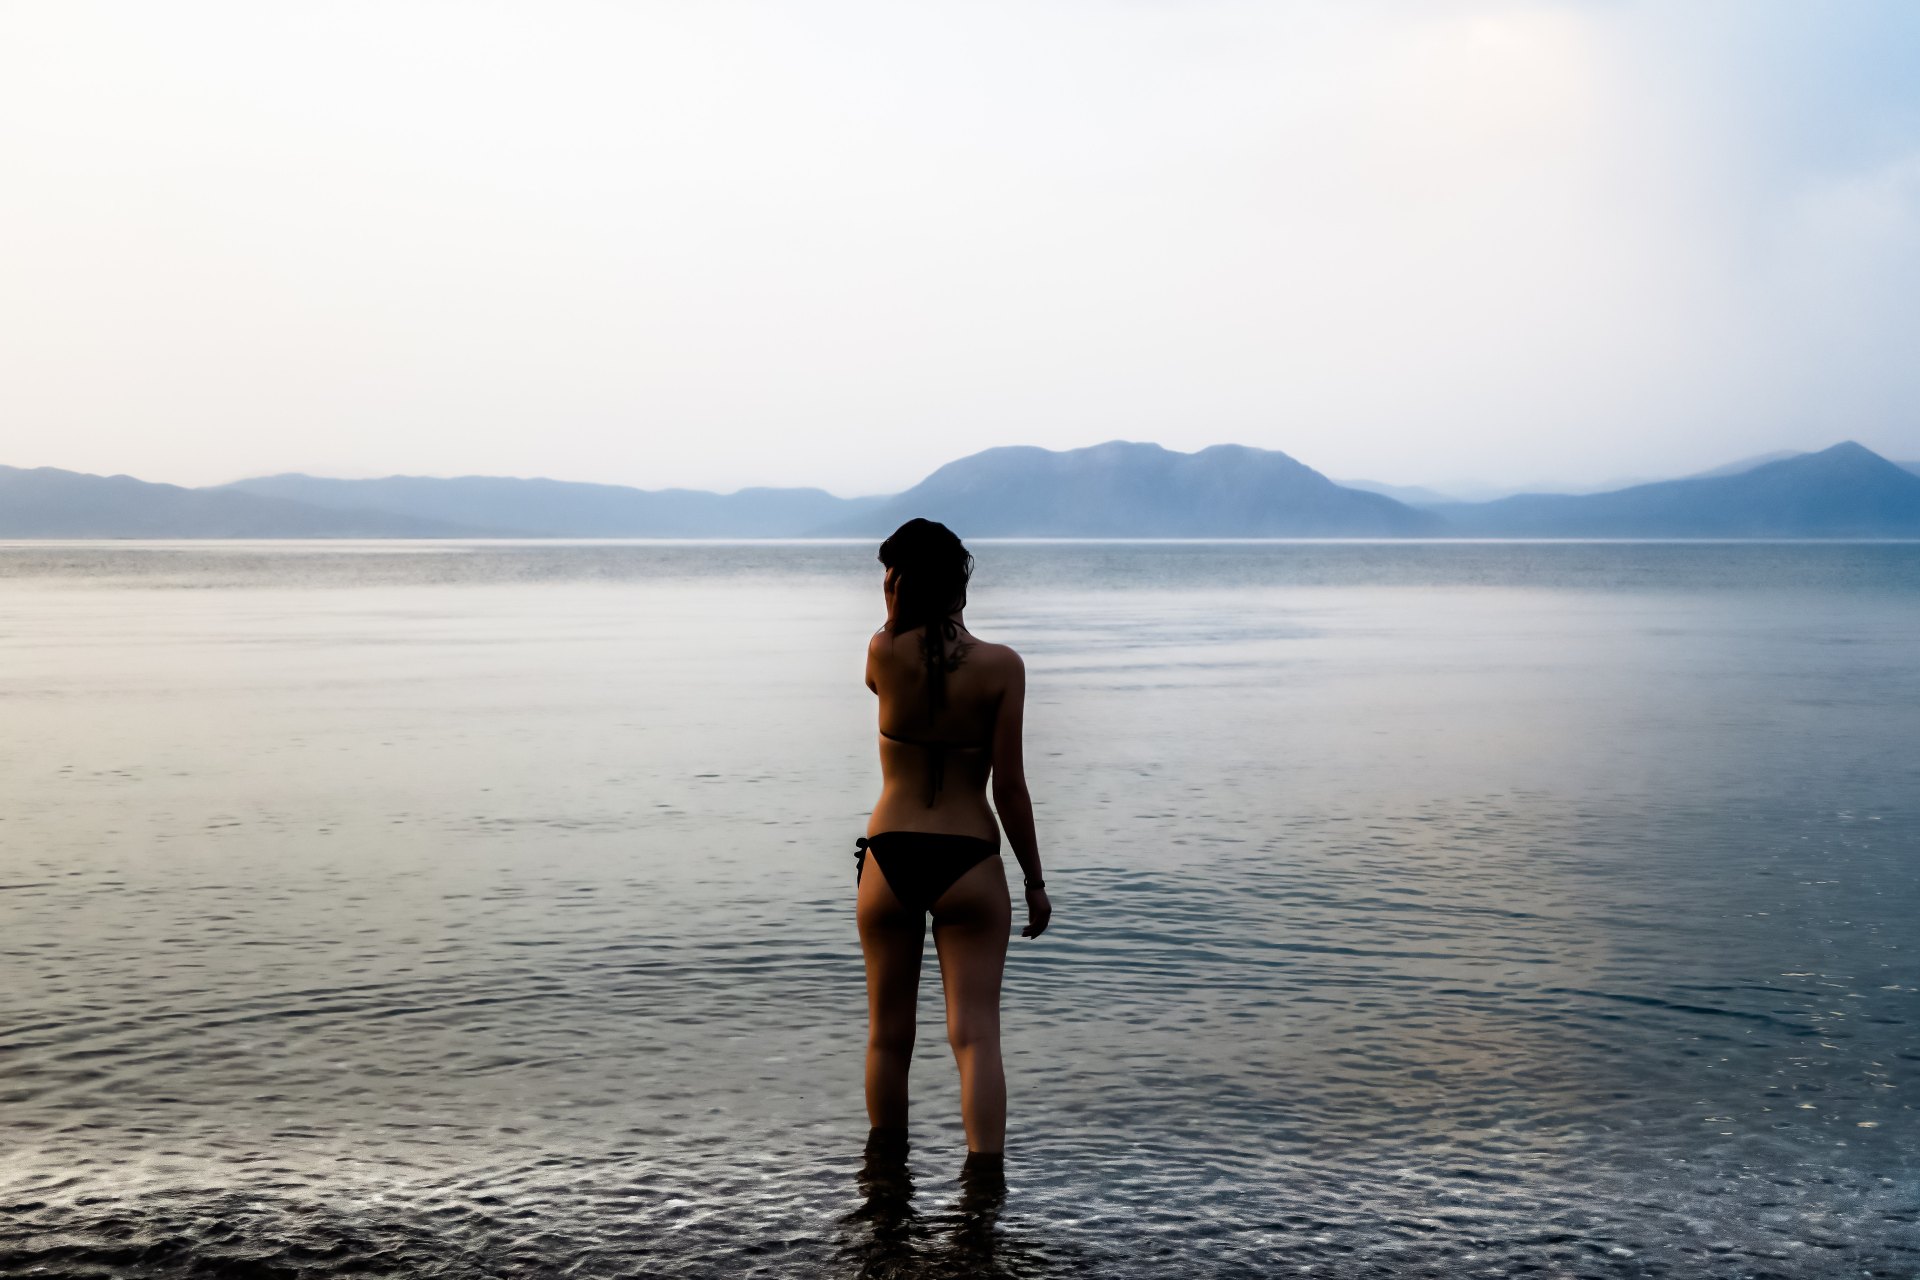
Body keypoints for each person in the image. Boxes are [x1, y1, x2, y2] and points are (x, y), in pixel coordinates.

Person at [855, 518, 1050, 1181]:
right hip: (969, 858)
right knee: (975, 1034)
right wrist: (1034, 880)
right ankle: (984, 1189)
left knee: (888, 1034)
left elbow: (885, 681)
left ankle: (885, 1182)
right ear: (963, 581)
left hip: (888, 858)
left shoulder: (883, 652)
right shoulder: (1003, 666)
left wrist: (893, 608)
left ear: (899, 582)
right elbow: (1012, 788)